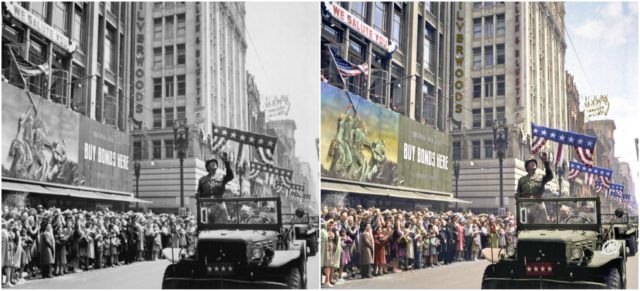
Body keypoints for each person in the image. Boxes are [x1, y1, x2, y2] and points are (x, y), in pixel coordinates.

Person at [515, 152, 553, 223]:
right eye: (531, 162)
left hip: (539, 204)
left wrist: (545, 163)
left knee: (541, 226)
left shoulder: (540, 177)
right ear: (527, 167)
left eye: (534, 162)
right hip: (526, 204)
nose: (533, 163)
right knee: (526, 226)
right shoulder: (522, 179)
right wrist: (516, 195)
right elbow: (519, 192)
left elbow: (550, 176)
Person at [197, 152, 234, 224]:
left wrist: (226, 162)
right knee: (204, 226)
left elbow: (230, 176)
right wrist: (197, 194)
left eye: (215, 162)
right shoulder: (202, 180)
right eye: (212, 162)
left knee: (224, 225)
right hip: (206, 205)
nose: (214, 163)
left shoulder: (222, 177)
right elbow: (199, 193)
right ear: (207, 167)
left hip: (219, 205)